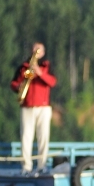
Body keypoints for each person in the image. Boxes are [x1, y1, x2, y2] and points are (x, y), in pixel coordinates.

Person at [10, 42, 57, 175]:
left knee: (43, 137)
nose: (36, 52)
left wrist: (40, 73)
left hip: (43, 107)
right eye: (34, 49)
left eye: (39, 50)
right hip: (27, 106)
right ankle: (26, 166)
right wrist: (18, 87)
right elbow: (13, 82)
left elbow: (53, 82)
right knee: (26, 137)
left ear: (43, 52)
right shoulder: (23, 67)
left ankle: (42, 165)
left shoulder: (47, 66)